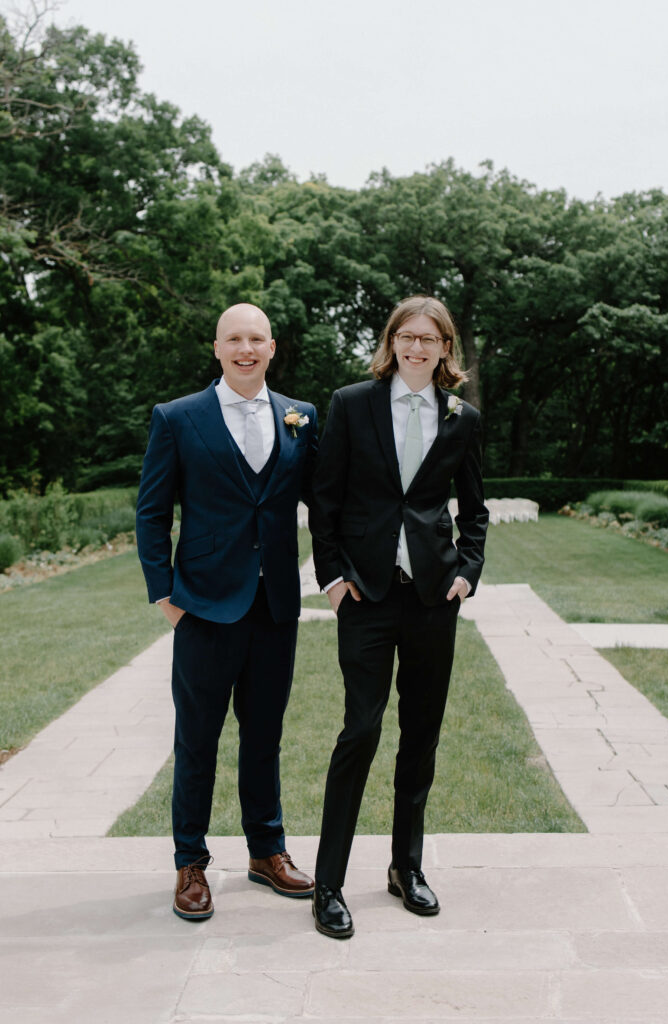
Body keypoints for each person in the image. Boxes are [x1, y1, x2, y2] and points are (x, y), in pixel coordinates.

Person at [309, 295, 488, 939]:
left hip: (434, 600)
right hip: (366, 597)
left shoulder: (462, 418)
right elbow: (324, 498)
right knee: (361, 729)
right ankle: (328, 882)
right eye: (407, 336)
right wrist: (332, 578)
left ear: (446, 348)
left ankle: (405, 868)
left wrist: (467, 571)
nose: (417, 347)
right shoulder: (352, 403)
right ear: (392, 342)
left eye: (430, 338)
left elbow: (475, 509)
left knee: (421, 735)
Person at [136, 302, 318, 920]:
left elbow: (325, 502)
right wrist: (165, 596)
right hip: (205, 609)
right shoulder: (177, 418)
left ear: (272, 348)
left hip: (275, 609)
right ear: (217, 348)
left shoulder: (301, 419)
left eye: (256, 339)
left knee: (264, 734)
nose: (246, 348)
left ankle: (267, 852)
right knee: (198, 741)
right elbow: (153, 512)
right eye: (233, 339)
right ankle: (190, 862)